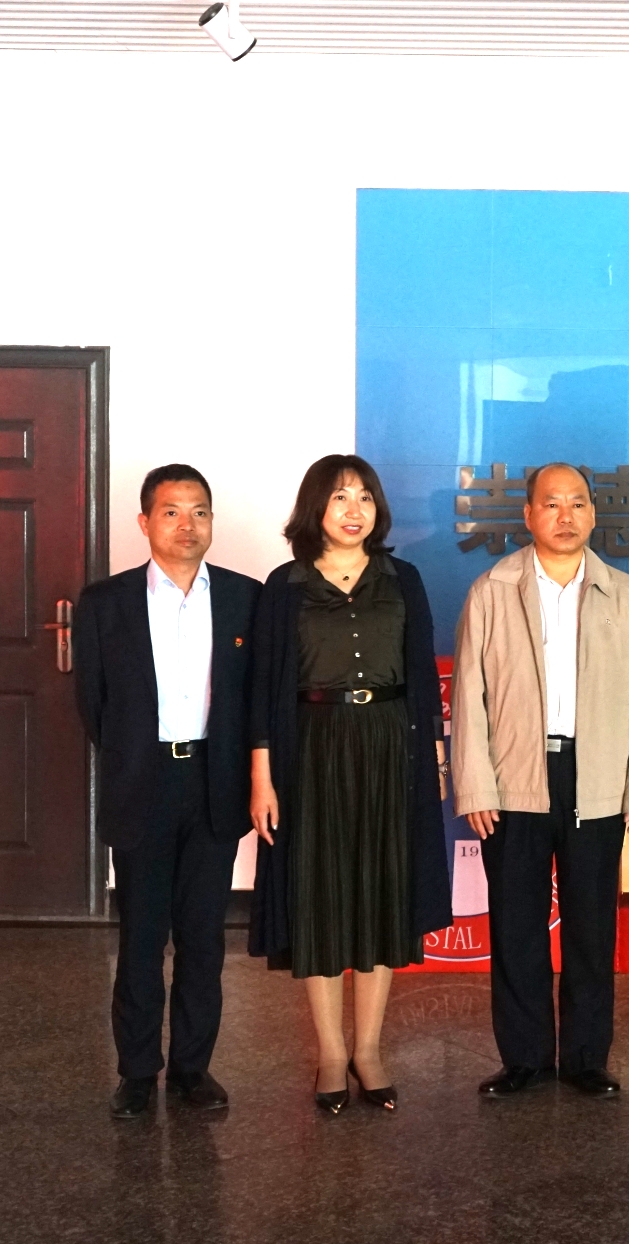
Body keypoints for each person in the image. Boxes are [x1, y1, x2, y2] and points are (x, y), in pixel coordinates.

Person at [451, 463, 629, 1098]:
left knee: (591, 926)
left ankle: (585, 1058)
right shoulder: (493, 590)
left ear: (594, 514)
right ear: (528, 514)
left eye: (577, 504)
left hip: (595, 774)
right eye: (551, 504)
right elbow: (469, 694)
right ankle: (523, 1059)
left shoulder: (625, 594)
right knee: (516, 925)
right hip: (513, 775)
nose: (565, 516)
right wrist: (475, 784)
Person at [247, 454, 452, 1114]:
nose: (354, 510)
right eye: (340, 498)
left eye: (364, 497)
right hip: (311, 748)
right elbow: (262, 691)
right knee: (320, 894)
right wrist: (262, 777)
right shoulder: (284, 586)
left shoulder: (402, 579)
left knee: (381, 891)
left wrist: (435, 759)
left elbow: (421, 675)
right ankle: (332, 1054)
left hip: (390, 744)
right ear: (316, 507)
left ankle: (369, 1050)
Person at [76, 464, 261, 1119]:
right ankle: (135, 1072)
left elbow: (253, 699)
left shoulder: (244, 598)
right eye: (172, 512)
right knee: (142, 937)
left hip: (213, 781)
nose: (188, 525)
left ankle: (191, 1069)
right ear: (145, 521)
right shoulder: (106, 603)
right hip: (142, 782)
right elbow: (93, 704)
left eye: (199, 511)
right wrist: (133, 756)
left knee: (204, 938)